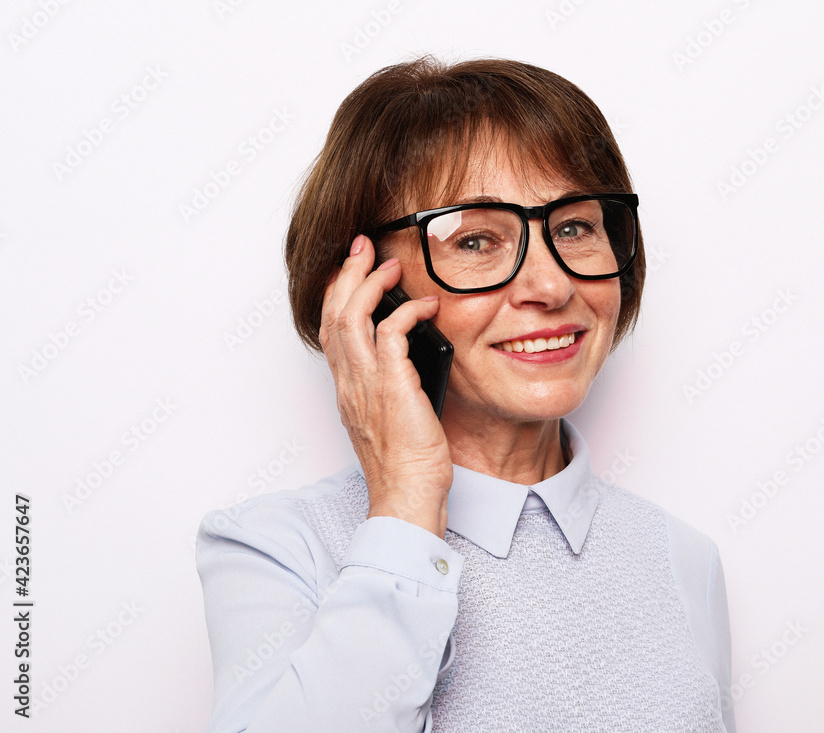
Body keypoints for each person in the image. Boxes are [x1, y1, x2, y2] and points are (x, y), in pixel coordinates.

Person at [196, 56, 735, 732]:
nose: (551, 286)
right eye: (476, 239)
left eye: (574, 228)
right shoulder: (276, 548)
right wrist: (406, 502)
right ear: (368, 290)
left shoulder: (682, 557)